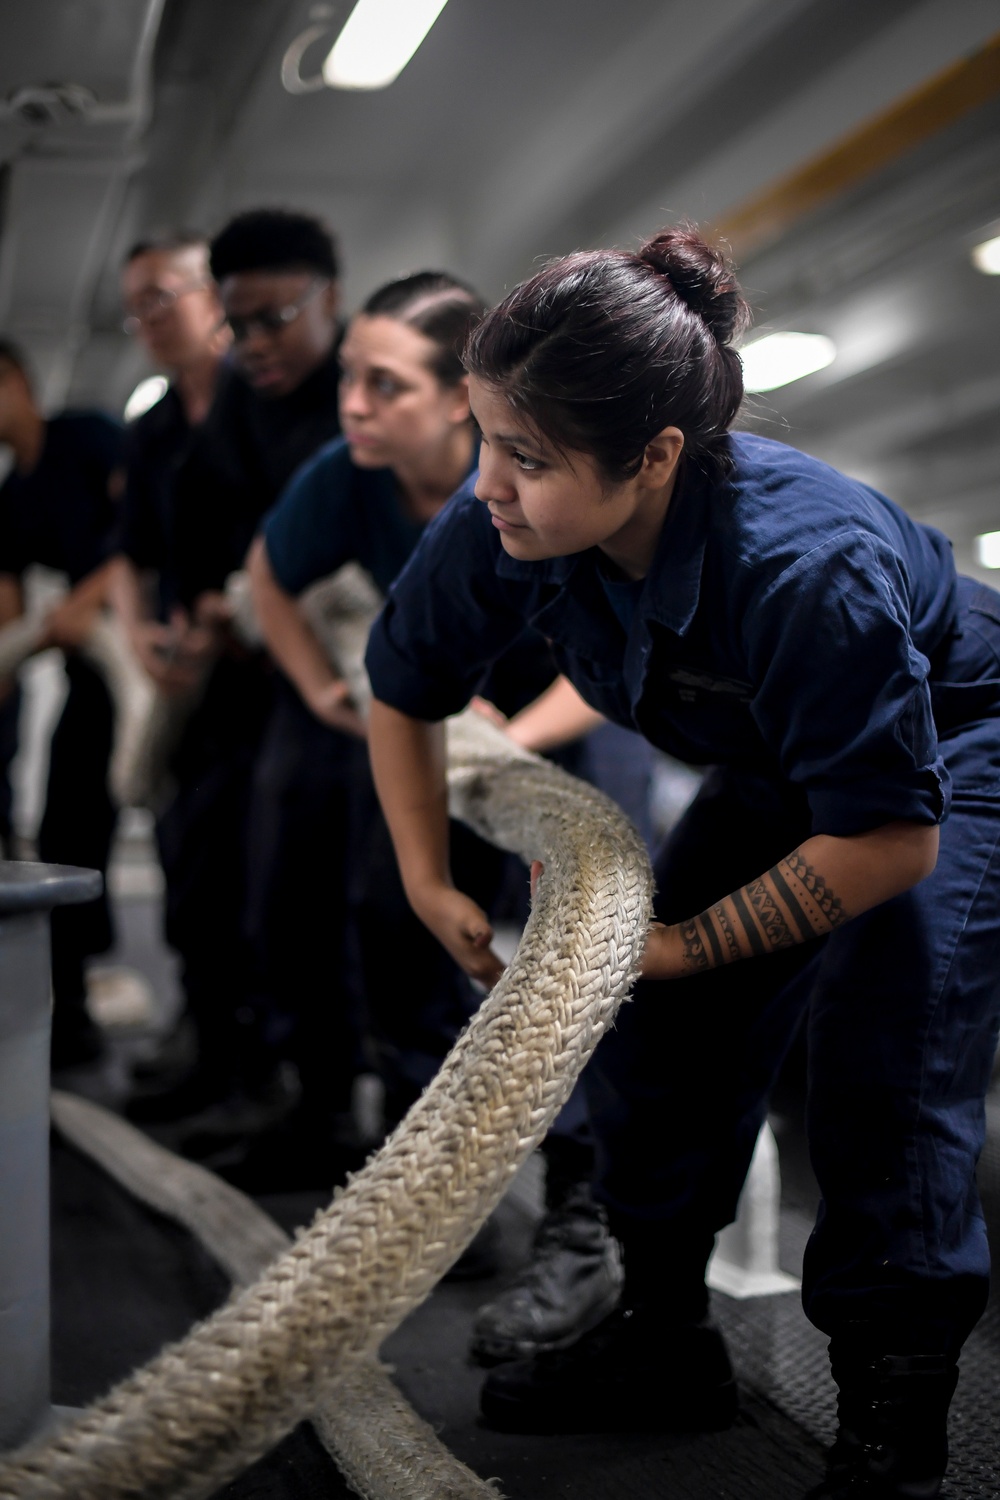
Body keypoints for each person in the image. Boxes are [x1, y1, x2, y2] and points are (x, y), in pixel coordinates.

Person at [363, 227, 1000, 1500]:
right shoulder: (500, 519)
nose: (489, 481)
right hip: (782, 770)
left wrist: (680, 936)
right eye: (488, 437)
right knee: (657, 1022)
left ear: (654, 457)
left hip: (961, 748)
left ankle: (894, 1423)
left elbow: (886, 835)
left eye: (528, 458)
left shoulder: (805, 564)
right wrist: (428, 877)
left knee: (887, 1036)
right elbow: (402, 687)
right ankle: (662, 1337)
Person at [248, 273, 624, 1342]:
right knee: (392, 916)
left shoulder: (525, 474)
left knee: (581, 954)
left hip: (568, 698)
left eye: (381, 384)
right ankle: (447, 1191)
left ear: (459, 397)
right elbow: (270, 577)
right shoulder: (344, 477)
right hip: (423, 700)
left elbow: (618, 655)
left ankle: (583, 1215)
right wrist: (323, 685)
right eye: (346, 381)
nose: (350, 404)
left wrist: (509, 739)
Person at [116, 209, 344, 1124]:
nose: (253, 343)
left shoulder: (353, 396)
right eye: (241, 326)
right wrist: (190, 619)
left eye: (271, 320)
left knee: (322, 895)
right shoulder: (217, 421)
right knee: (221, 869)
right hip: (246, 680)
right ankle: (254, 1074)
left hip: (338, 686)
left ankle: (324, 1096)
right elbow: (192, 535)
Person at [0, 338, 123, 1067]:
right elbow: (7, 605)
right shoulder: (13, 495)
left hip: (144, 652)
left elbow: (150, 529)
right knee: (66, 824)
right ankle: (68, 1011)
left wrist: (85, 600)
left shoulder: (87, 437)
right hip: (88, 677)